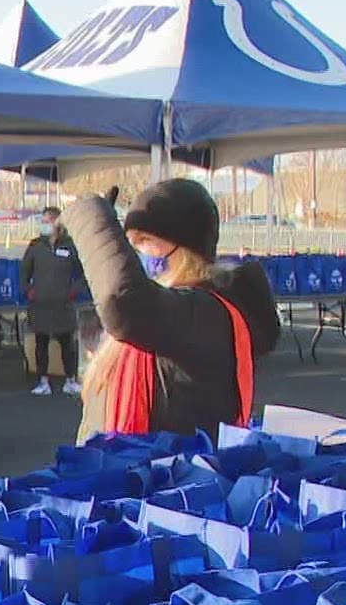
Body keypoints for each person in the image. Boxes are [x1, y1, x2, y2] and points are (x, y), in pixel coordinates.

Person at [63, 178, 282, 442]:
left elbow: (123, 301)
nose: (136, 253)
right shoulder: (174, 310)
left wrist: (90, 216)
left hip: (161, 476)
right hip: (123, 473)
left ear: (184, 247)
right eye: (130, 242)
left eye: (145, 240)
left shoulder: (205, 313)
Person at [21, 205, 85, 396]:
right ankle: (43, 381)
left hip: (63, 304)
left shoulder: (70, 245)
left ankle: (70, 380)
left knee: (68, 345)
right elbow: (24, 272)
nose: (45, 224)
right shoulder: (35, 246)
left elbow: (82, 273)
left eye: (49, 221)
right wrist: (29, 290)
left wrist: (74, 291)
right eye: (44, 221)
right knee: (41, 344)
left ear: (58, 223)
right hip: (40, 304)